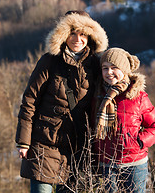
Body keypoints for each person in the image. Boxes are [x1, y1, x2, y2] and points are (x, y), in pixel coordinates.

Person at [15, 10, 108, 193]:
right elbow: (29, 101)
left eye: (82, 34)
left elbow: (110, 90)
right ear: (63, 34)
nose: (77, 39)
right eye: (72, 33)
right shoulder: (49, 61)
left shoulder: (96, 65)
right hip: (45, 143)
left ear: (90, 36)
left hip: (78, 149)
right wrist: (23, 141)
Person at [92, 47, 155, 193]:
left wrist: (139, 142)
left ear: (124, 70)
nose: (109, 72)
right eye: (105, 68)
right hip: (106, 164)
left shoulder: (138, 96)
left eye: (114, 67)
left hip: (135, 164)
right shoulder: (98, 96)